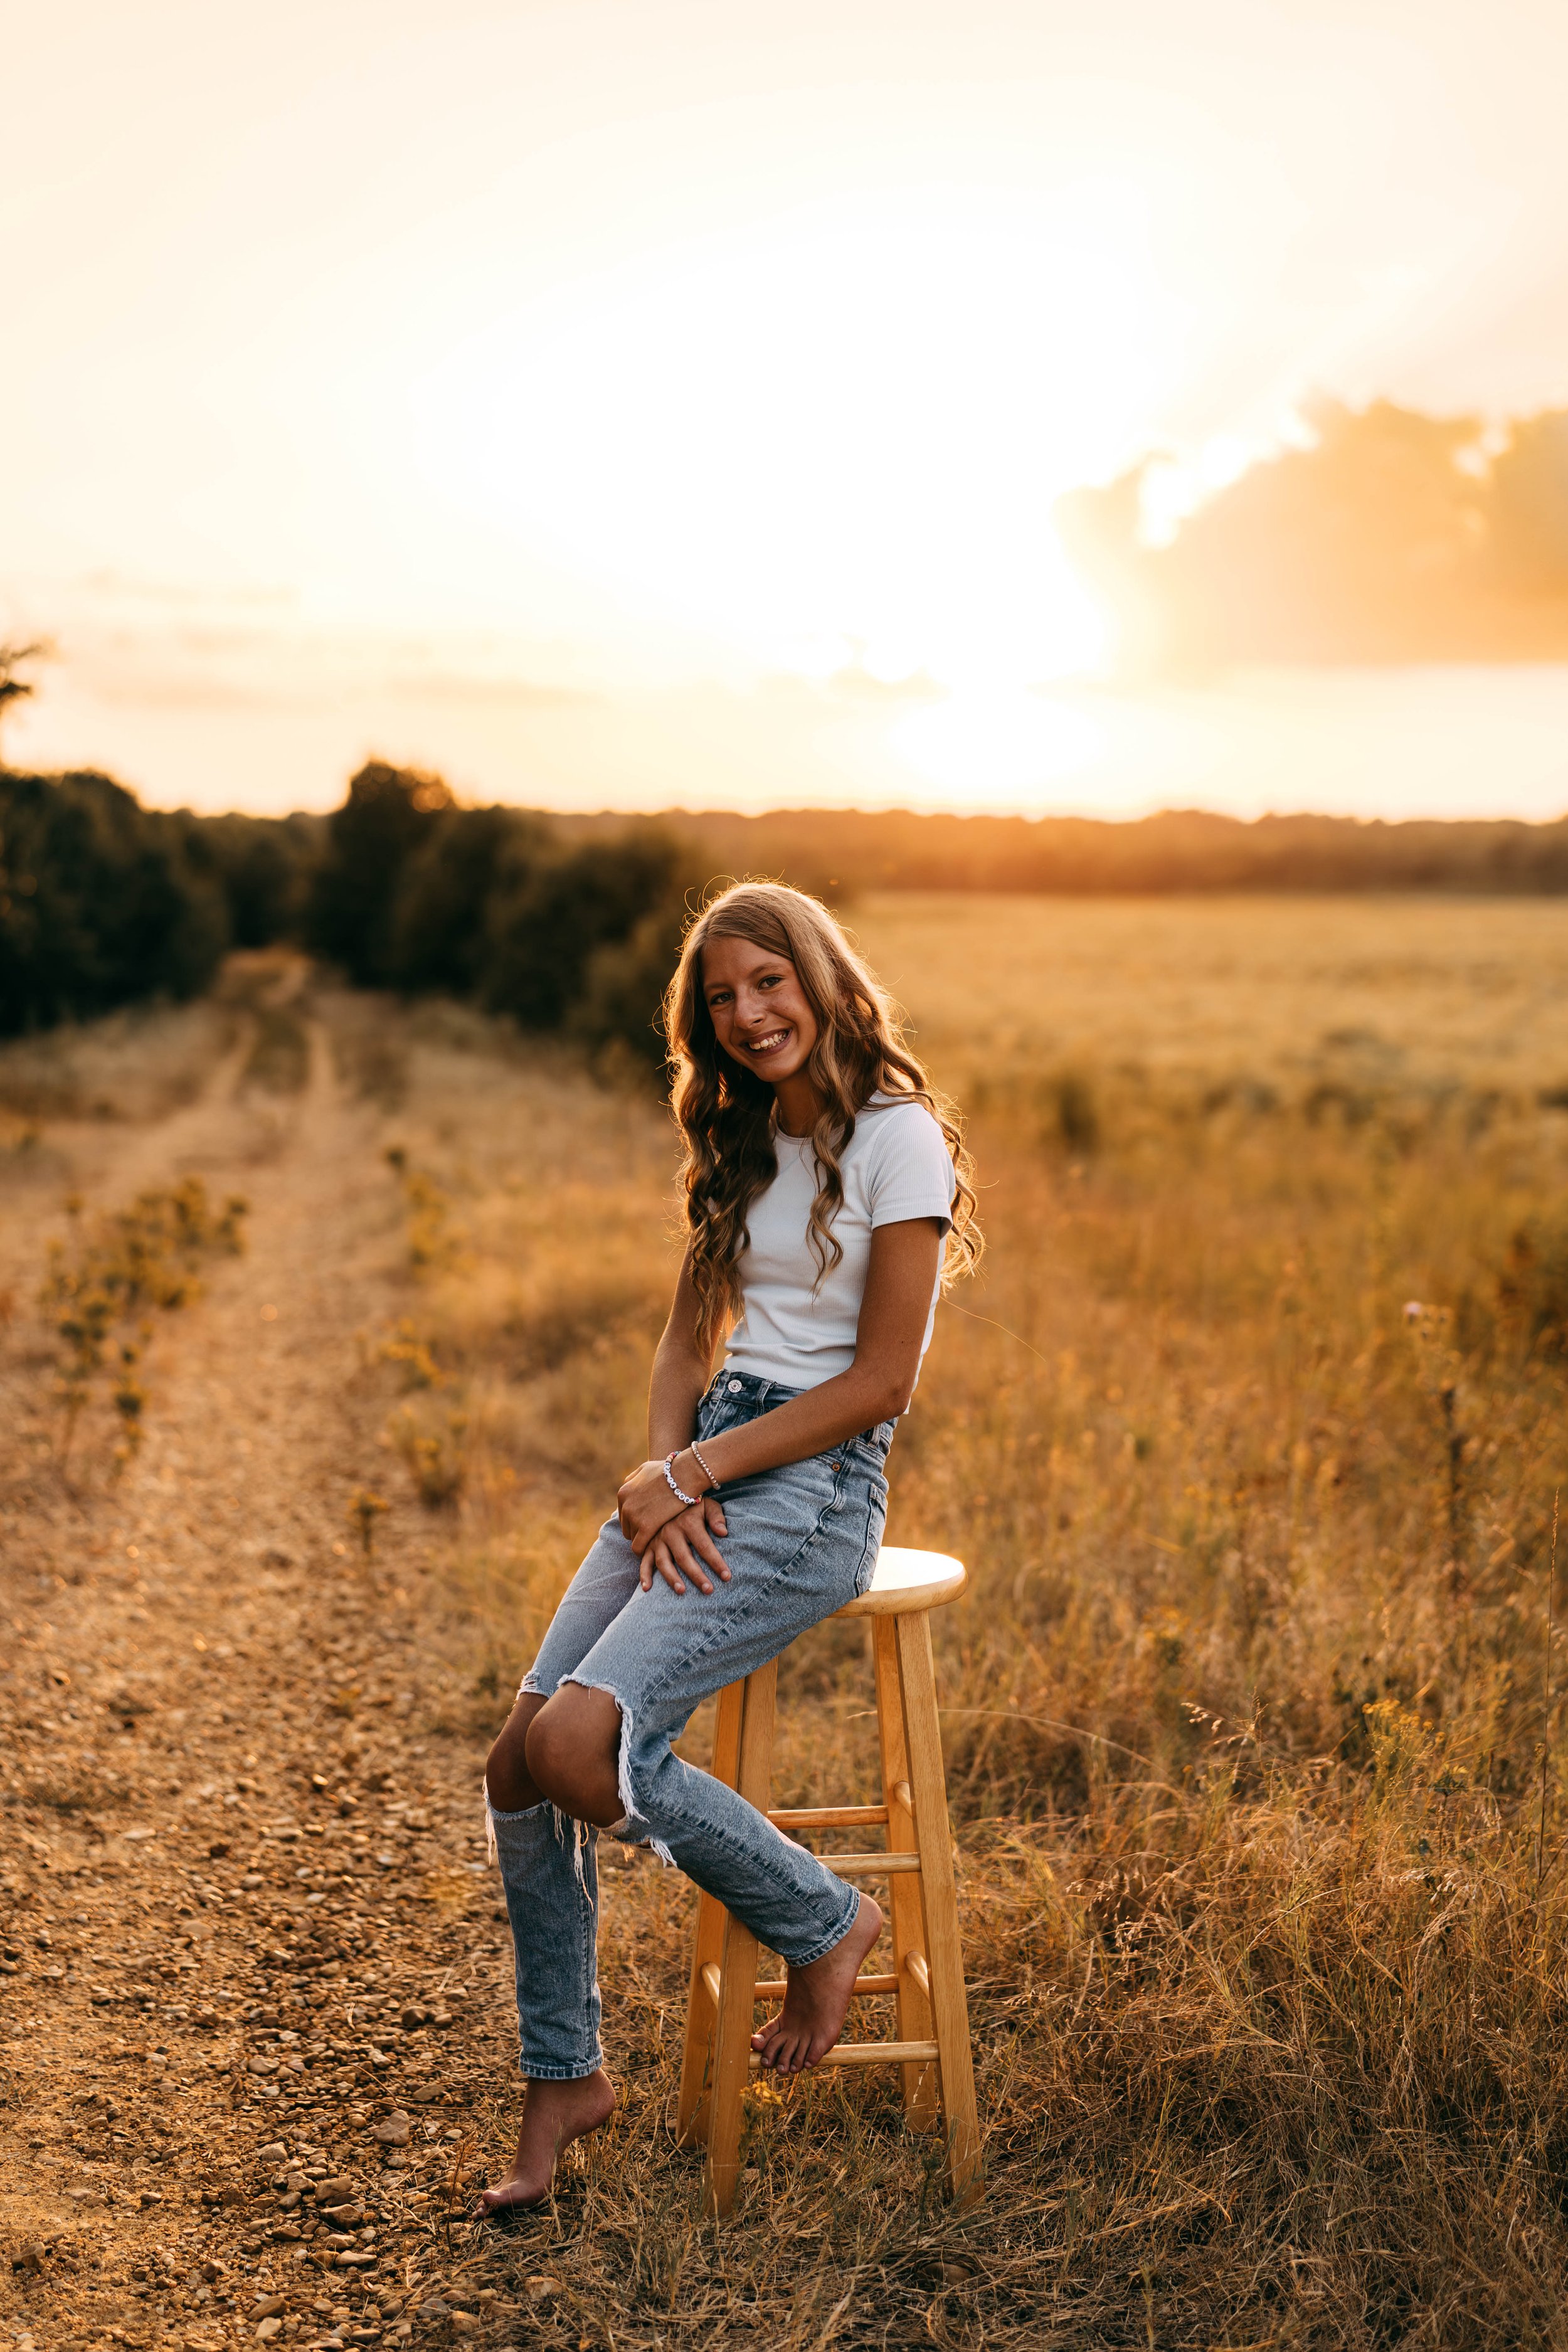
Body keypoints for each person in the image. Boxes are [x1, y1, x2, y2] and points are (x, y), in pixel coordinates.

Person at [477, 880, 980, 2215]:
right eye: (722, 997)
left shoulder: (898, 1140)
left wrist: (697, 1467)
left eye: (769, 982)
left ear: (821, 978)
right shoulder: (742, 1135)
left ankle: (823, 1920)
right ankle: (563, 2078)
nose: (750, 1014)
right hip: (703, 1470)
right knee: (517, 1765)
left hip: (811, 1492)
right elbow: (686, 1335)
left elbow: (880, 1383)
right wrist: (658, 1474)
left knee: (580, 1747)